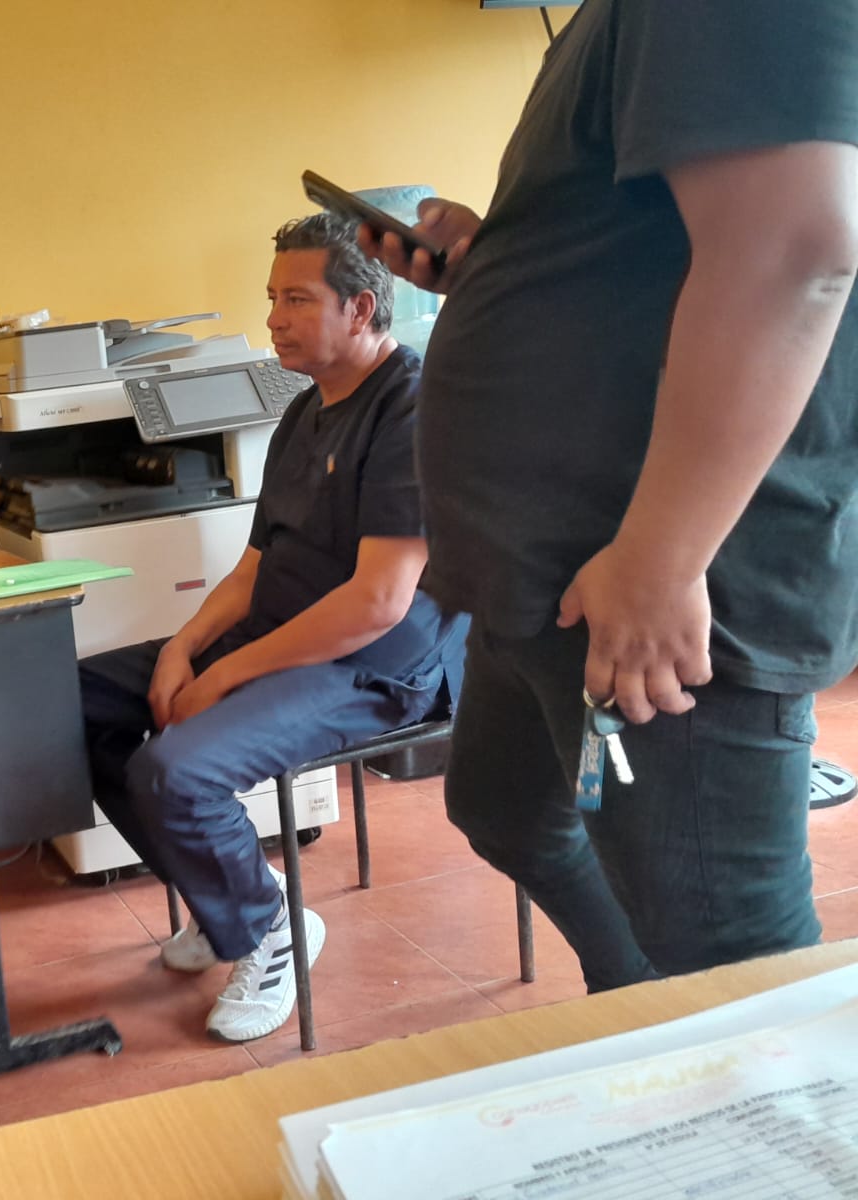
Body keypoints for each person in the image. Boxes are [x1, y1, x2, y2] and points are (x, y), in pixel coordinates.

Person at [359, 0, 858, 989]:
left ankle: (681, 1036)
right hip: (544, 574)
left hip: (643, 586)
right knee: (504, 809)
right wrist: (502, 258)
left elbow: (792, 249)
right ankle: (634, 1004)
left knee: (732, 964)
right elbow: (647, 250)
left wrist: (661, 562)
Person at [79, 212, 468, 1043]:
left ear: (360, 309)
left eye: (297, 300)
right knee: (69, 704)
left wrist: (224, 673)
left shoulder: (412, 408)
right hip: (280, 637)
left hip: (372, 666)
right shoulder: (305, 412)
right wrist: (184, 646)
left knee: (176, 772)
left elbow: (378, 603)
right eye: (272, 299)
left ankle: (268, 928)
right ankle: (229, 901)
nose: (274, 320)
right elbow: (255, 567)